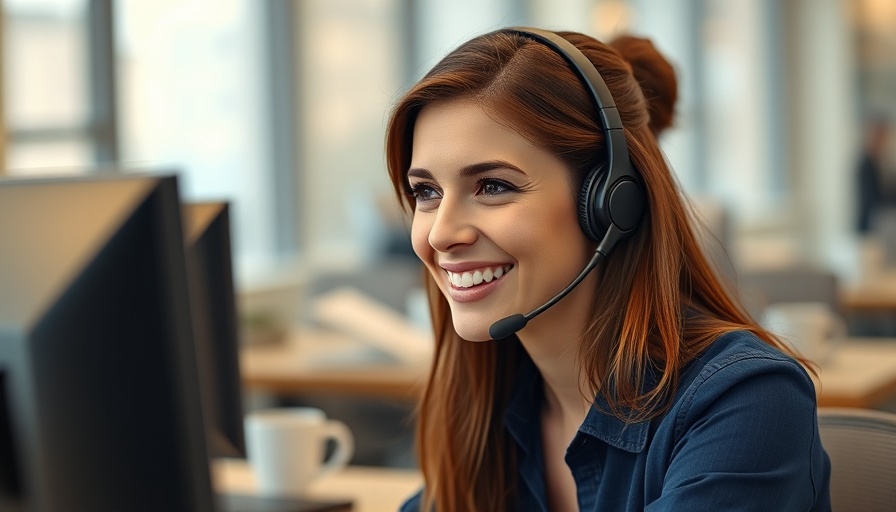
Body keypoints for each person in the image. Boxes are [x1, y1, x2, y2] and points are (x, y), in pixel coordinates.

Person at [384, 27, 831, 511]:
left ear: (610, 202)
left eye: (492, 186)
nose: (439, 233)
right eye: (426, 192)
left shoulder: (747, 402)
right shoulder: (489, 407)